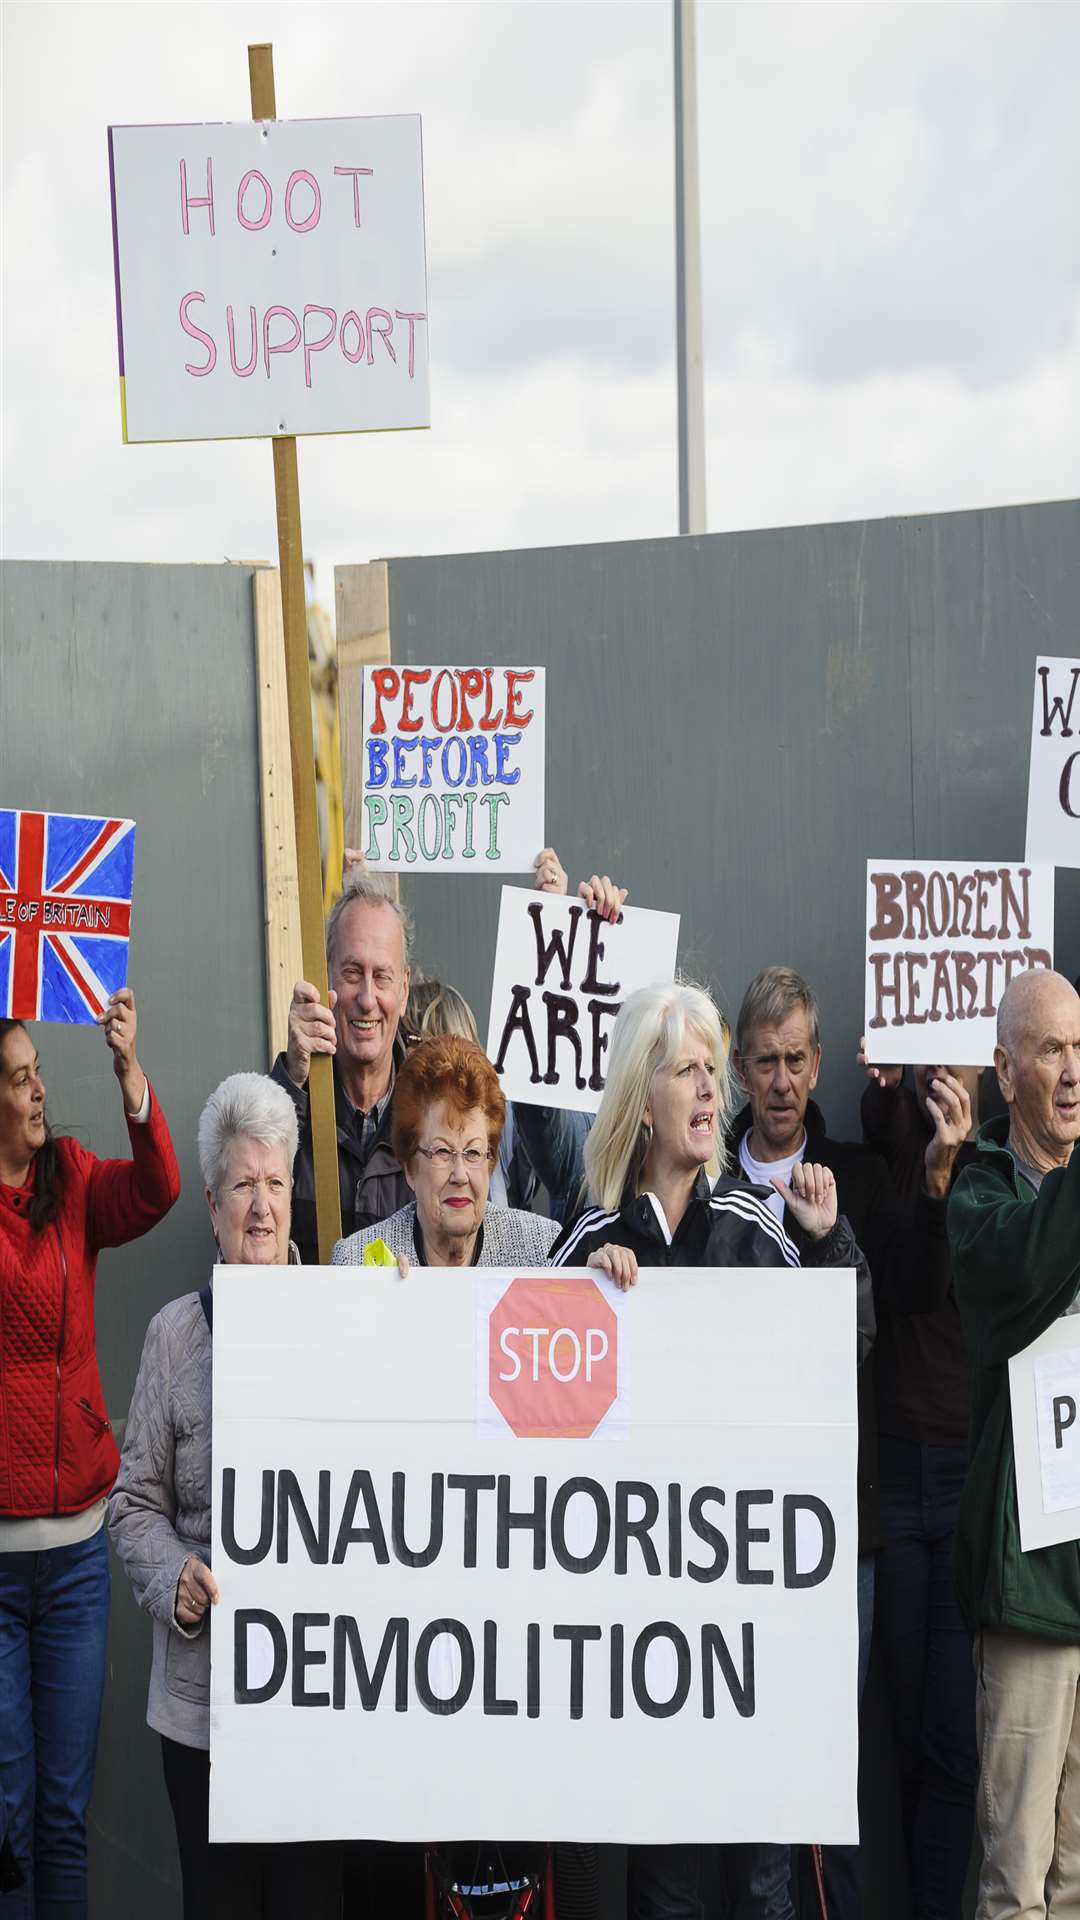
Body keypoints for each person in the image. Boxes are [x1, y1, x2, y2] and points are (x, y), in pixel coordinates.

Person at [549, 980, 871, 1920]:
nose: (707, 1093)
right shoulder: (589, 1242)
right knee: (669, 1893)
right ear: (639, 1096)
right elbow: (538, 1430)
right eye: (686, 1071)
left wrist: (830, 1241)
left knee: (763, 1889)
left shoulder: (758, 1226)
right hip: (648, 1658)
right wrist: (585, 1308)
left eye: (709, 1074)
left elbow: (849, 1345)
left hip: (753, 1646)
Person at [729, 966, 970, 1920]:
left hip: (842, 1519)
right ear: (739, 1068)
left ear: (817, 1063)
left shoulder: (862, 1177)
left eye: (797, 1060)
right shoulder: (703, 1176)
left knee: (831, 1742)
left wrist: (942, 1161)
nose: (783, 1080)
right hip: (722, 1523)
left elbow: (915, 1283)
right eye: (766, 1062)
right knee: (747, 1738)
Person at [108, 1072, 343, 1919]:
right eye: (242, 1185)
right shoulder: (174, 1335)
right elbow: (132, 1503)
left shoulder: (346, 1324)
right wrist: (174, 1575)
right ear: (211, 1205)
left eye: (276, 1183)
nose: (261, 1206)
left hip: (317, 1703)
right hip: (202, 1717)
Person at [0, 993, 179, 1917]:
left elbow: (158, 1190)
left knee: (64, 1816)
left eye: (38, 1074)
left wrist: (129, 1074)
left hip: (73, 1559)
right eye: (20, 1078)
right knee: (7, 1819)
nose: (39, 1092)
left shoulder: (68, 1180)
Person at [948, 969, 1080, 1920]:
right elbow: (1031, 1262)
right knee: (1015, 1882)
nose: (1072, 1072)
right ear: (1005, 1071)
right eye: (1049, 1050)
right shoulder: (982, 1195)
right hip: (1031, 1591)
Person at [858, 1047, 984, 1920]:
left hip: (971, 1474)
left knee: (951, 1747)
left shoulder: (1011, 1162)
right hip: (898, 1479)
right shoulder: (881, 1161)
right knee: (897, 1739)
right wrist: (929, 1164)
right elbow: (907, 1284)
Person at [332, 1032, 633, 1288]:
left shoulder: (543, 1252)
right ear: (410, 1167)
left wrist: (594, 1286)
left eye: (474, 1152)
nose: (460, 1174)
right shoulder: (357, 1263)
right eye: (442, 1152)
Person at [273, 870, 414, 1264]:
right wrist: (292, 1082)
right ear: (325, 976)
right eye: (352, 973)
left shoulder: (431, 1122)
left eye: (382, 977)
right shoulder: (291, 1107)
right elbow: (247, 1215)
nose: (367, 999)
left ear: (403, 990)